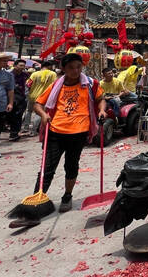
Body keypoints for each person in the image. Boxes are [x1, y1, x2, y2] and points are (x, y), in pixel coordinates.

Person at [34, 52, 106, 213]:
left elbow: (101, 99)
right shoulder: (56, 86)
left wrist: (101, 110)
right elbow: (38, 104)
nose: (75, 71)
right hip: (55, 130)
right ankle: (37, 199)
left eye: (78, 67)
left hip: (78, 132)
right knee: (47, 168)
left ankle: (67, 195)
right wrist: (44, 114)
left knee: (71, 166)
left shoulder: (90, 84)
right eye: (71, 67)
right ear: (64, 69)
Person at [25, 60, 57, 132]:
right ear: (49, 66)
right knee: (39, 113)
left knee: (29, 111)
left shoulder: (35, 74)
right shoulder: (53, 74)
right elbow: (54, 85)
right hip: (44, 98)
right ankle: (33, 130)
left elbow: (28, 84)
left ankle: (25, 127)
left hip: (32, 96)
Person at [8, 59, 30, 141]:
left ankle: (14, 134)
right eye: (20, 65)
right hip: (10, 98)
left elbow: (29, 85)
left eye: (24, 66)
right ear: (15, 65)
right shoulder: (9, 74)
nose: (22, 67)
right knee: (9, 116)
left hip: (22, 98)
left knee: (18, 116)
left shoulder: (25, 75)